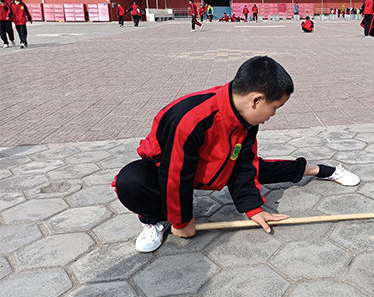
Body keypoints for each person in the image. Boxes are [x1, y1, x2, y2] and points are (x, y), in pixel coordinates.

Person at [112, 56, 360, 253]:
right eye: (275, 108)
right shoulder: (190, 118)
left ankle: (320, 169)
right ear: (256, 100)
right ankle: (156, 220)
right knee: (131, 181)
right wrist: (180, 221)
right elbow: (175, 172)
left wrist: (253, 208)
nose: (273, 115)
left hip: (218, 165)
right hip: (167, 168)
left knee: (256, 170)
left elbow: (244, 166)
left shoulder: (246, 118)